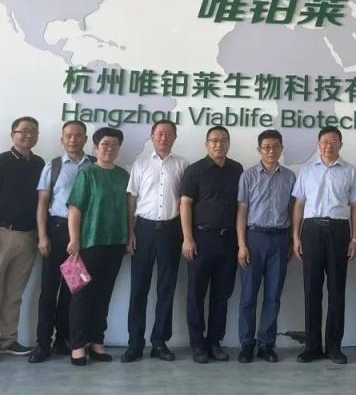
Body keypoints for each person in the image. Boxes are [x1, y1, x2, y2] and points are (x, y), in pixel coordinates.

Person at [0, 116, 45, 362]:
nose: (28, 135)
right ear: (13, 135)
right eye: (23, 131)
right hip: (0, 234)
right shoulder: (0, 162)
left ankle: (8, 340)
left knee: (14, 293)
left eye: (33, 131)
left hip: (28, 236)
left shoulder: (39, 164)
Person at [291, 127, 356, 364]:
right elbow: (299, 204)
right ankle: (312, 347)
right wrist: (296, 237)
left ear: (340, 145)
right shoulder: (307, 171)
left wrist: (355, 238)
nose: (328, 146)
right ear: (318, 144)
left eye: (333, 142)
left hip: (338, 231)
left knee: (336, 290)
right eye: (324, 142)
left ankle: (334, 347)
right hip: (311, 230)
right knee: (311, 290)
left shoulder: (350, 171)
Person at [122, 119, 189, 363]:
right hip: (144, 230)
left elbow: (185, 202)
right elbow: (132, 200)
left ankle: (159, 342)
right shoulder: (140, 164)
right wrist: (130, 232)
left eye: (168, 134)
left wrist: (185, 236)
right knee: (138, 289)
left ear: (175, 137)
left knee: (166, 289)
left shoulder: (182, 164)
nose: (163, 137)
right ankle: (135, 344)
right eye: (159, 133)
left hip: (171, 230)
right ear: (152, 136)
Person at [65, 127, 130, 365]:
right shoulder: (87, 174)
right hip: (88, 243)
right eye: (105, 144)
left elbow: (129, 209)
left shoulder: (123, 176)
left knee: (103, 295)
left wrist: (129, 236)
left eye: (114, 145)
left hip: (115, 243)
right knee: (81, 295)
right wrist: (74, 240)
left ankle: (96, 342)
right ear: (95, 147)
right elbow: (75, 209)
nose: (109, 149)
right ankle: (77, 346)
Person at [29, 120, 92, 363]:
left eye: (78, 135)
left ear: (85, 139)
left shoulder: (93, 165)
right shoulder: (53, 166)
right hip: (56, 232)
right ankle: (43, 344)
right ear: (62, 139)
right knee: (49, 290)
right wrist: (42, 235)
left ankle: (62, 340)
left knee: (72, 289)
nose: (73, 139)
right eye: (68, 135)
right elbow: (42, 203)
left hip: (83, 235)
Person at [180, 125, 243, 363]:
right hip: (201, 240)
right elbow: (185, 204)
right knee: (196, 294)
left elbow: (241, 206)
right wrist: (187, 238)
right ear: (207, 144)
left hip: (228, 241)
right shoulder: (194, 170)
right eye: (214, 140)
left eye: (223, 140)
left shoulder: (237, 169)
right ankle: (197, 344)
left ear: (229, 143)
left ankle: (214, 341)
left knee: (222, 294)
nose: (219, 144)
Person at [236, 129, 296, 363]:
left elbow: (293, 210)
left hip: (280, 239)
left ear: (282, 148)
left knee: (273, 296)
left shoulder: (290, 177)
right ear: (259, 149)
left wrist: (292, 240)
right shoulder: (248, 176)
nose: (271, 151)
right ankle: (246, 344)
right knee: (248, 296)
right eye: (266, 147)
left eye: (276, 147)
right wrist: (242, 244)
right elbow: (242, 212)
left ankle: (266, 344)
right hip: (254, 238)